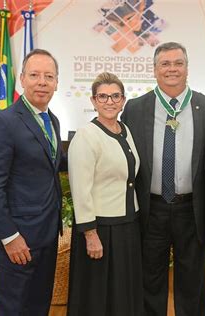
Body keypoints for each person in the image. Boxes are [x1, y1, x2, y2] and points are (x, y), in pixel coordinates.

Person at [121, 42, 205, 316]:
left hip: (192, 208)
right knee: (149, 277)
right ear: (154, 70)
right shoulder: (135, 108)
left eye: (178, 63)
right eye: (165, 64)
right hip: (151, 208)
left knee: (192, 278)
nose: (172, 69)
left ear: (187, 68)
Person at [0, 48, 66, 316]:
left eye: (49, 76)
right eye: (35, 75)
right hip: (18, 239)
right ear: (21, 80)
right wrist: (9, 236)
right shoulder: (2, 123)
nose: (42, 82)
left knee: (38, 306)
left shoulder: (52, 120)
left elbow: (50, 166)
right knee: (12, 308)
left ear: (56, 83)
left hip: (47, 235)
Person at [67, 72, 143, 316]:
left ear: (123, 100)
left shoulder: (126, 130)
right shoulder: (86, 136)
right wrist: (90, 234)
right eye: (103, 96)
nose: (109, 101)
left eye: (115, 96)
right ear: (93, 101)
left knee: (123, 292)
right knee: (98, 296)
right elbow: (80, 189)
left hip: (127, 225)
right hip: (100, 230)